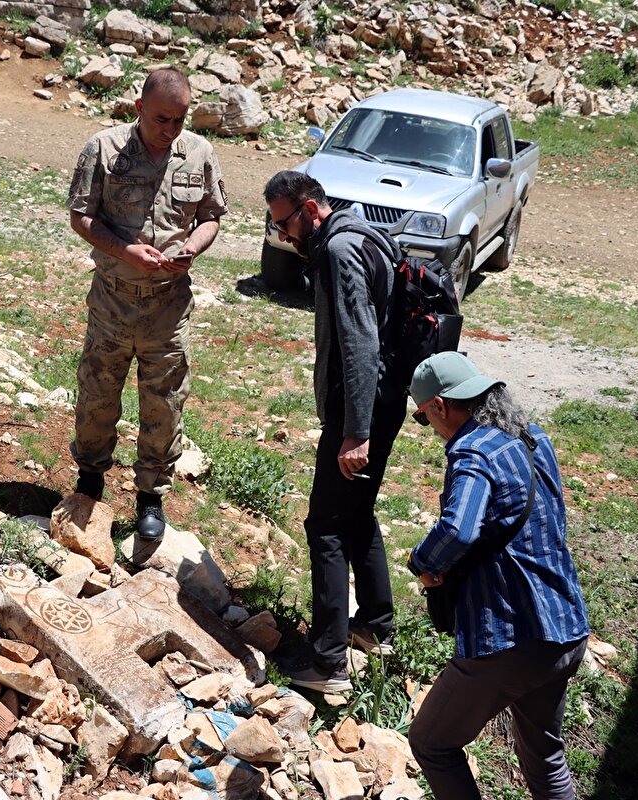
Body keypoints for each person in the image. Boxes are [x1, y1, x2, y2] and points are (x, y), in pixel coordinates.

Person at [406, 352, 590, 800]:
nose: (430, 428)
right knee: (546, 759)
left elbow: (458, 529)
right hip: (564, 627)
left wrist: (423, 562)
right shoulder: (532, 436)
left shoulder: (472, 451)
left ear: (440, 406)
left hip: (511, 636)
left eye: (424, 418)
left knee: (431, 743)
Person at [66, 67, 227, 542]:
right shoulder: (104, 148)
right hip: (113, 300)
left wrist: (192, 247)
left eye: (180, 120)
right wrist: (125, 251)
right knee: (97, 393)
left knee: (165, 403)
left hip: (168, 305)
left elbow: (211, 217)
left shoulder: (199, 153)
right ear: (139, 108)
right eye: (161, 119)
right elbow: (81, 216)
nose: (171, 129)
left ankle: (150, 495)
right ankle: (90, 479)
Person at [262, 171, 405, 692]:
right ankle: (375, 627)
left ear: (310, 210)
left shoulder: (340, 250)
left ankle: (327, 663)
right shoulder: (365, 232)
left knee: (324, 526)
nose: (284, 235)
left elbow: (361, 343)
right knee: (357, 512)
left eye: (284, 224)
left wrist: (355, 432)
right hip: (382, 402)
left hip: (358, 413)